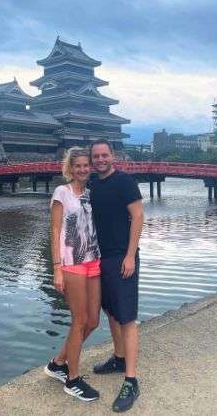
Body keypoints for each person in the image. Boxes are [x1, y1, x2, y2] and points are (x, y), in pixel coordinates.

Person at [88, 139, 144, 412]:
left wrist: (130, 255)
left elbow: (138, 216)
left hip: (123, 256)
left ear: (113, 156)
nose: (100, 160)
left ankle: (131, 380)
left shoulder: (125, 182)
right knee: (111, 311)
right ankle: (119, 357)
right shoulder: (93, 185)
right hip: (101, 257)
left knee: (127, 317)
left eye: (104, 155)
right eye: (96, 156)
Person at [44, 147, 102, 402]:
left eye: (86, 165)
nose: (82, 169)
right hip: (71, 263)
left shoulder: (90, 193)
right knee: (79, 321)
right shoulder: (61, 193)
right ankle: (73, 379)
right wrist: (57, 268)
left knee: (92, 321)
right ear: (70, 167)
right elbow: (55, 230)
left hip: (93, 260)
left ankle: (58, 364)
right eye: (77, 165)